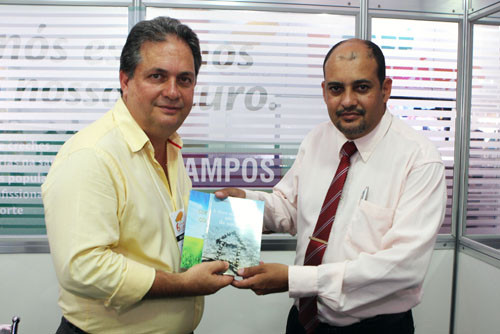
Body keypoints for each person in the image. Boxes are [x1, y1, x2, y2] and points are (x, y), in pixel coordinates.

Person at [215, 38, 447, 333]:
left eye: (361, 87)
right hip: (303, 322)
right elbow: (289, 208)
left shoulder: (419, 160)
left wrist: (295, 279)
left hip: (375, 328)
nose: (347, 101)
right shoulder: (317, 140)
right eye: (337, 89)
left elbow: (403, 268)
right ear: (325, 92)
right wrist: (245, 203)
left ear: (385, 89)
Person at [42, 16, 233, 334]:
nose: (173, 92)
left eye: (184, 80)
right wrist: (183, 284)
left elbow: (164, 238)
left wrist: (228, 236)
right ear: (125, 80)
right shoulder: (92, 154)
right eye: (157, 76)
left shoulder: (169, 148)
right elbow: (83, 268)